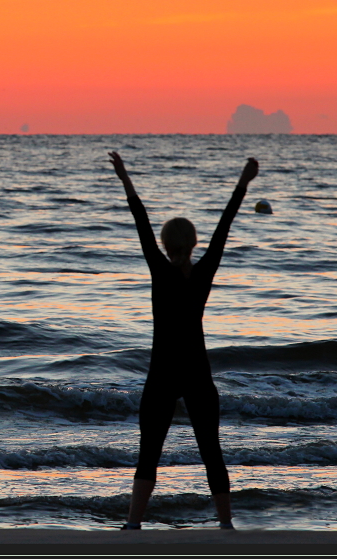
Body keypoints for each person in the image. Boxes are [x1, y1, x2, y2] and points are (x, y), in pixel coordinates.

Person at [108, 151, 259, 531]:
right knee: (211, 450)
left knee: (149, 453)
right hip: (196, 371)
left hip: (162, 372)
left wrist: (125, 177)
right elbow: (224, 226)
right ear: (193, 243)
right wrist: (243, 182)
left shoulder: (160, 270)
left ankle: (133, 524)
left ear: (164, 244)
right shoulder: (204, 271)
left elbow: (139, 220)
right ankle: (226, 526)